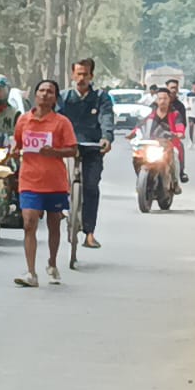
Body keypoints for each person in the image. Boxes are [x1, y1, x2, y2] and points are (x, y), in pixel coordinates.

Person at [11, 80, 78, 289]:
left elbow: (73, 150)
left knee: (54, 223)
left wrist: (55, 152)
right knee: (29, 222)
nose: (45, 94)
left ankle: (52, 262)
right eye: (41, 90)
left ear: (55, 98)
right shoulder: (23, 120)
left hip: (55, 182)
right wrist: (13, 150)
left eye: (50, 92)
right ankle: (31, 272)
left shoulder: (62, 122)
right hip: (29, 180)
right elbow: (17, 143)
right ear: (35, 94)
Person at [57, 58, 115, 249]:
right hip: (67, 148)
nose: (81, 78)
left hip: (92, 148)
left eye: (85, 74)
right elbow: (54, 118)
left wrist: (106, 137)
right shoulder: (63, 98)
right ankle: (60, 211)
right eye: (78, 74)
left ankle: (89, 233)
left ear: (91, 76)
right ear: (73, 75)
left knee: (91, 187)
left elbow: (106, 117)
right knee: (58, 182)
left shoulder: (101, 97)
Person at [131, 89, 187, 192]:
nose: (162, 101)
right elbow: (140, 125)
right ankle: (140, 180)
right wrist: (133, 133)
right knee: (136, 155)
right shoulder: (150, 114)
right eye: (160, 98)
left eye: (165, 98)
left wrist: (179, 133)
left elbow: (179, 125)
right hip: (151, 143)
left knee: (175, 154)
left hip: (168, 144)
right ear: (156, 100)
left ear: (169, 99)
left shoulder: (175, 114)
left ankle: (175, 182)